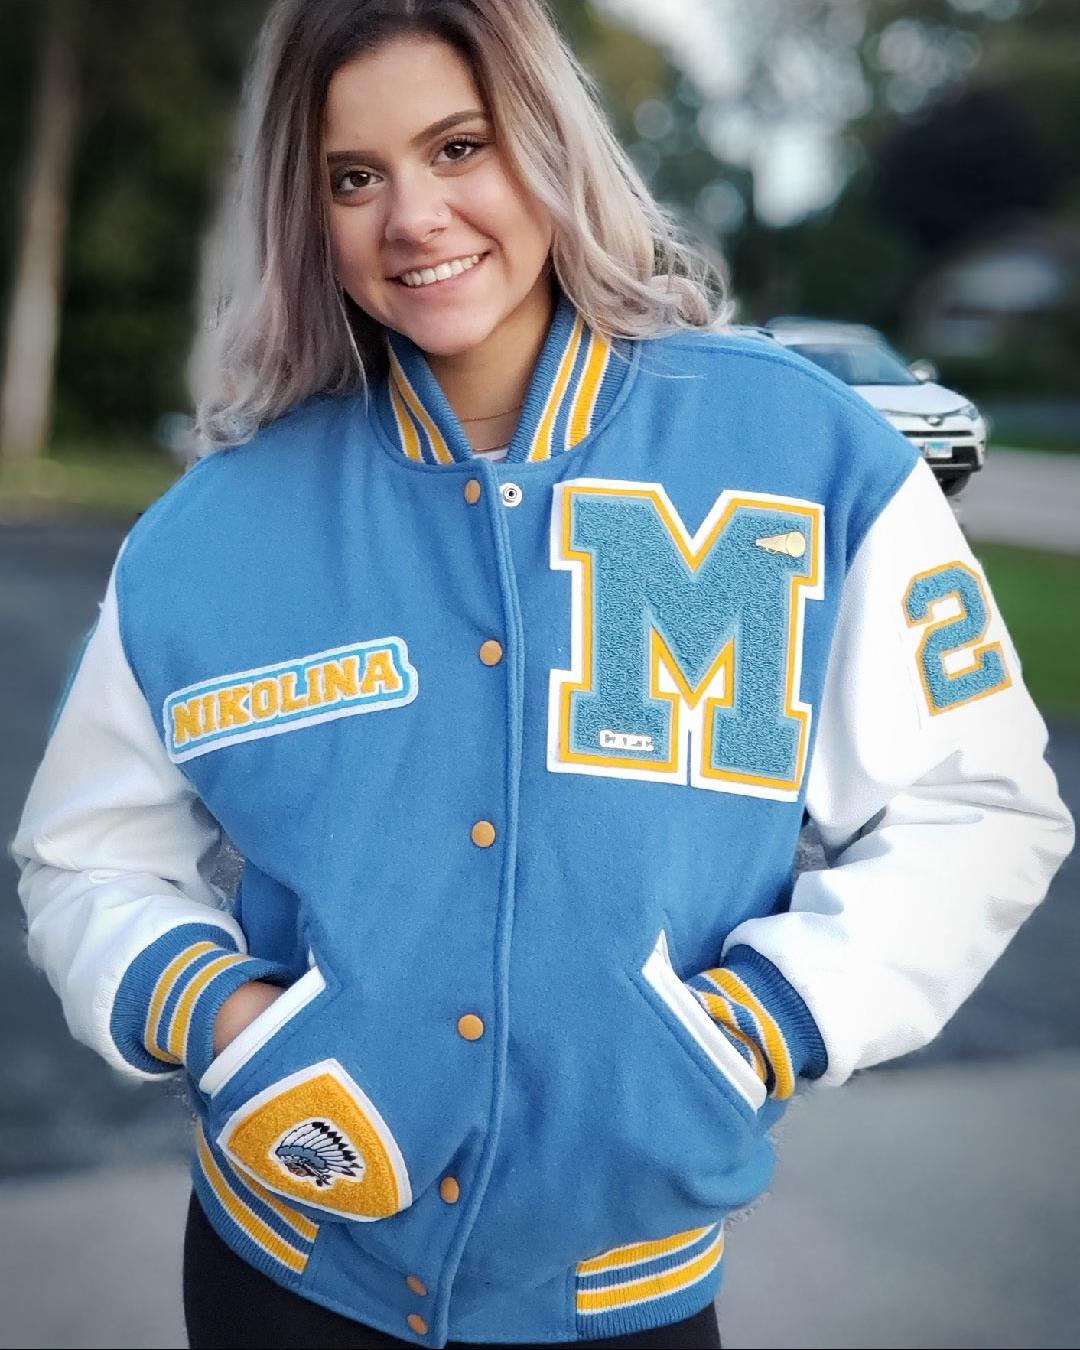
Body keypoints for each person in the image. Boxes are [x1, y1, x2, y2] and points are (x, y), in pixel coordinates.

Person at [10, 1, 1074, 1347]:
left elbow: (979, 806)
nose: (413, 216)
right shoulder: (215, 528)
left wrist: (757, 1027)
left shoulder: (799, 456)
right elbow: (85, 848)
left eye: (459, 147)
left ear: (548, 143)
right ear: (309, 212)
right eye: (355, 176)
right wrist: (221, 1014)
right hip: (281, 1273)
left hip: (620, 1300)